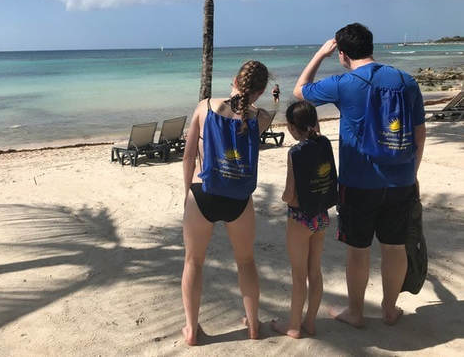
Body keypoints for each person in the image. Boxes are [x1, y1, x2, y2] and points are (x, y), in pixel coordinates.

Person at [292, 23, 426, 328]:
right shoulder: (405, 81)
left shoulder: (344, 83)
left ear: (342, 54)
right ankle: (390, 309)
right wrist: (412, 172)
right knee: (394, 246)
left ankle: (356, 312)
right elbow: (420, 134)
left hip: (357, 182)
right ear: (371, 46)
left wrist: (318, 55)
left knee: (358, 250)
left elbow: (300, 91)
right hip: (401, 179)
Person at [181, 60, 272, 345]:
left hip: (204, 192)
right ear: (260, 91)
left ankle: (192, 330)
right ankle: (254, 326)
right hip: (238, 197)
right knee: (246, 262)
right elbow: (248, 122)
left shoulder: (205, 106)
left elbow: (187, 156)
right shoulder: (264, 117)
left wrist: (187, 194)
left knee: (193, 261)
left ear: (234, 79)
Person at [271, 101, 337, 338]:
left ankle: (293, 326)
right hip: (320, 215)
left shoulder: (295, 152)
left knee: (298, 276)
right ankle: (310, 322)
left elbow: (290, 193)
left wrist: (283, 198)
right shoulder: (324, 143)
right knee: (314, 272)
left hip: (300, 218)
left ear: (291, 127)